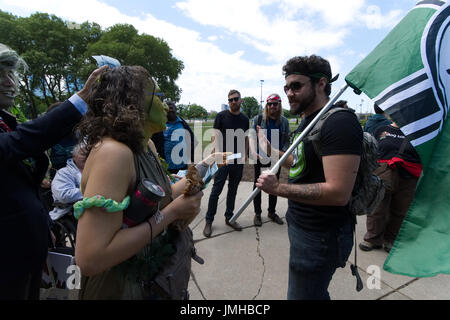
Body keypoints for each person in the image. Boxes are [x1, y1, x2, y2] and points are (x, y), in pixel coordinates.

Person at [74, 66, 224, 299]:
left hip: (152, 282)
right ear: (132, 103)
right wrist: (173, 213)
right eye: (157, 95)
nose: (166, 105)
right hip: (121, 289)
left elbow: (161, 196)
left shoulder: (147, 146)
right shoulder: (113, 154)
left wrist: (205, 166)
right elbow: (91, 259)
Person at [0, 43, 105, 300]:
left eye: (11, 75)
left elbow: (23, 187)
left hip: (28, 251)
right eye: (1, 76)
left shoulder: (7, 122)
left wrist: (45, 223)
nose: (10, 83)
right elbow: (19, 143)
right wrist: (79, 101)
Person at [255, 55, 363, 300]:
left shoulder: (339, 123)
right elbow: (301, 161)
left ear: (321, 84)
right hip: (303, 226)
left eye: (296, 86)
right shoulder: (308, 121)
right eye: (286, 87)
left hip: (321, 236)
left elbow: (338, 193)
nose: (289, 93)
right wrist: (271, 151)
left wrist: (278, 189)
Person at [359, 121, 422, 253]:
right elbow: (371, 149)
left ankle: (391, 240)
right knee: (377, 207)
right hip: (383, 173)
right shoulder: (381, 129)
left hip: (408, 176)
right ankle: (372, 239)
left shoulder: (419, 133)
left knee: (400, 210)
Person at [203, 89, 249, 238]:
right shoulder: (221, 116)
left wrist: (246, 154)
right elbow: (215, 137)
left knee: (233, 190)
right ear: (228, 102)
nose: (233, 102)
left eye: (236, 99)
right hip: (223, 159)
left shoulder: (245, 119)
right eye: (230, 100)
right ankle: (209, 220)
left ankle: (229, 218)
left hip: (238, 160)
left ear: (240, 100)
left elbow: (246, 138)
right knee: (216, 191)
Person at [249, 93, 290, 227]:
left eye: (275, 103)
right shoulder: (259, 119)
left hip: (275, 159)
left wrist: (280, 157)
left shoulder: (284, 121)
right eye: (270, 103)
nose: (272, 106)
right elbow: (251, 135)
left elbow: (286, 141)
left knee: (273, 185)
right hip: (261, 157)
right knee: (258, 185)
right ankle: (258, 214)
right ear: (267, 105)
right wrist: (253, 151)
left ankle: (271, 212)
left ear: (279, 105)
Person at [152, 100, 197, 174]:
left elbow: (192, 141)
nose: (170, 111)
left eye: (172, 108)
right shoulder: (160, 124)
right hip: (166, 166)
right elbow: (153, 143)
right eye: (167, 109)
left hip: (183, 165)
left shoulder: (182, 123)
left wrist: (190, 160)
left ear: (176, 109)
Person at [48, 144, 85, 221]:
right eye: (82, 154)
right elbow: (64, 195)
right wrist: (93, 190)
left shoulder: (97, 171)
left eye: (88, 154)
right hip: (72, 213)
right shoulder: (64, 172)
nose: (86, 157)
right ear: (74, 156)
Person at [47, 102, 79, 179]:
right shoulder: (46, 140)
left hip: (78, 177)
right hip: (55, 180)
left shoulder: (79, 136)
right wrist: (44, 178)